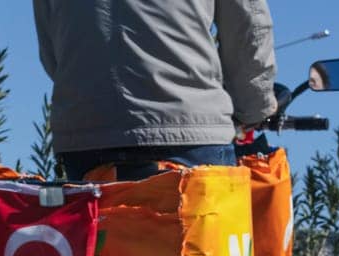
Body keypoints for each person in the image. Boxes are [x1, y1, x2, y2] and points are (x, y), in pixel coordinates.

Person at [32, 0, 277, 181]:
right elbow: (248, 26)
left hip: (86, 135)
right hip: (189, 132)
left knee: (96, 247)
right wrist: (253, 108)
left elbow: (51, 47)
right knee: (202, 246)